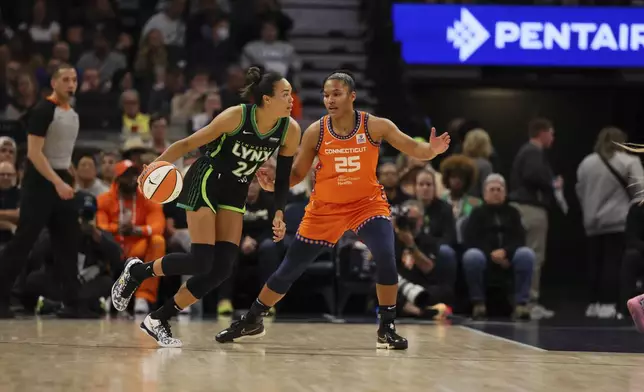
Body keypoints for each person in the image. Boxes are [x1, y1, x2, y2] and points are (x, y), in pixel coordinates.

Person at [215, 71, 450, 349]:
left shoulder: (375, 126)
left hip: (367, 205)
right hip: (325, 209)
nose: (330, 100)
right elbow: (296, 174)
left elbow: (413, 148)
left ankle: (387, 327)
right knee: (289, 268)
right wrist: (271, 183)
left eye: (336, 94)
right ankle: (253, 319)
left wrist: (432, 150)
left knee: (386, 256)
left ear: (352, 96)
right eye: (326, 95)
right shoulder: (316, 131)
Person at [110, 67, 301, 347]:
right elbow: (188, 143)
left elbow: (283, 179)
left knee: (222, 268)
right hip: (207, 178)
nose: (291, 99)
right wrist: (153, 166)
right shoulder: (237, 116)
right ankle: (137, 272)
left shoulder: (290, 129)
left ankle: (158, 318)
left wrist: (280, 213)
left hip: (236, 188)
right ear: (266, 99)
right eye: (285, 94)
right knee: (201, 259)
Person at [0, 64, 82, 318]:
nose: (71, 84)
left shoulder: (73, 114)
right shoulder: (43, 110)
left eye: (74, 80)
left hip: (62, 177)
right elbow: (35, 154)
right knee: (24, 241)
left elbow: (63, 154)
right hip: (40, 181)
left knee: (68, 242)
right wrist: (57, 182)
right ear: (54, 83)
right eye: (65, 79)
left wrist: (70, 177)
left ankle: (73, 303)